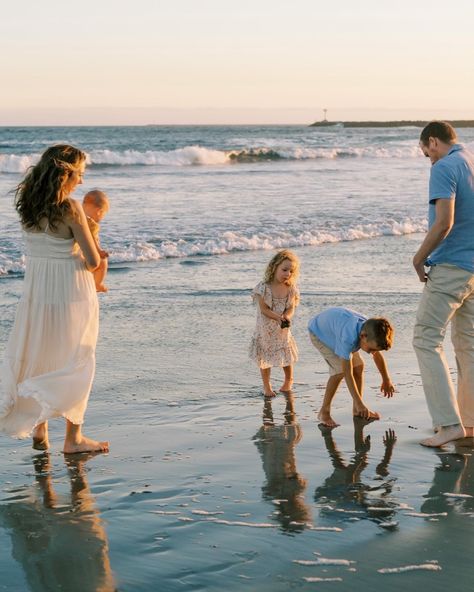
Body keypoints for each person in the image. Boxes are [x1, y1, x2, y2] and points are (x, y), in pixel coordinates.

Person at [0, 144, 109, 454]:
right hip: (72, 292)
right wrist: (94, 232)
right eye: (80, 175)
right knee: (77, 358)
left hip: (37, 293)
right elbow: (91, 261)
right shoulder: (72, 209)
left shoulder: (27, 207)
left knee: (40, 356)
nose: (82, 182)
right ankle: (73, 439)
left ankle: (39, 430)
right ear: (66, 175)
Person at [413, 120, 474, 447]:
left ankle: (449, 424)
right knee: (468, 344)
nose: (429, 159)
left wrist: (419, 258)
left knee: (425, 338)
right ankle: (470, 421)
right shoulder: (471, 160)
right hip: (473, 267)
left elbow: (444, 222)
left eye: (427, 153)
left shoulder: (445, 166)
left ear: (433, 142)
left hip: (451, 265)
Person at [308, 307, 395, 427]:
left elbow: (377, 356)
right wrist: (360, 402)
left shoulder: (370, 331)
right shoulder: (347, 338)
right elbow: (348, 374)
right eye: (371, 349)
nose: (371, 352)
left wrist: (386, 379)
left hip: (337, 327)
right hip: (320, 333)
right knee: (339, 372)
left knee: (358, 367)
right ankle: (324, 412)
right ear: (363, 336)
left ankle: (357, 410)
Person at [249, 250, 300, 397]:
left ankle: (288, 380)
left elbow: (291, 307)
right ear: (274, 267)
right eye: (284, 270)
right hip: (265, 328)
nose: (287, 274)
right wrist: (277, 317)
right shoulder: (263, 287)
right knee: (265, 357)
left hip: (282, 328)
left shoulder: (290, 288)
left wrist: (287, 316)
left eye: (291, 271)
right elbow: (264, 309)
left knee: (286, 353)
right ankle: (267, 386)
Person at [82, 190, 110, 292]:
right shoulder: (92, 223)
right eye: (103, 214)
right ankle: (97, 284)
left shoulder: (79, 218)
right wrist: (99, 251)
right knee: (102, 262)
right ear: (99, 211)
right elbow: (92, 238)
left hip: (78, 251)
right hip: (87, 254)